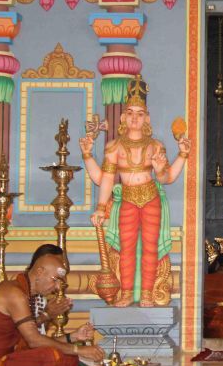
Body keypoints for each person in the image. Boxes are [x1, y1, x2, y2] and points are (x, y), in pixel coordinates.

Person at [80, 75, 191, 308]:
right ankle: (127, 293)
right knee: (126, 248)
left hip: (150, 197)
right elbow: (104, 179)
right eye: (130, 113)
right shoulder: (114, 146)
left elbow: (167, 178)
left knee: (150, 247)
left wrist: (182, 155)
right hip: (128, 199)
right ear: (123, 117)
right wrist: (87, 156)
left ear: (146, 118)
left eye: (140, 114)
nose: (134, 118)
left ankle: (147, 293)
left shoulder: (155, 146)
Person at [0, 244, 105, 366]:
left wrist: (72, 337)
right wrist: (78, 349)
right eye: (54, 280)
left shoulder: (27, 295)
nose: (57, 287)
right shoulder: (14, 294)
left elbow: (29, 341)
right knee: (52, 356)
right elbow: (34, 341)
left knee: (69, 359)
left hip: (9, 359)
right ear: (40, 272)